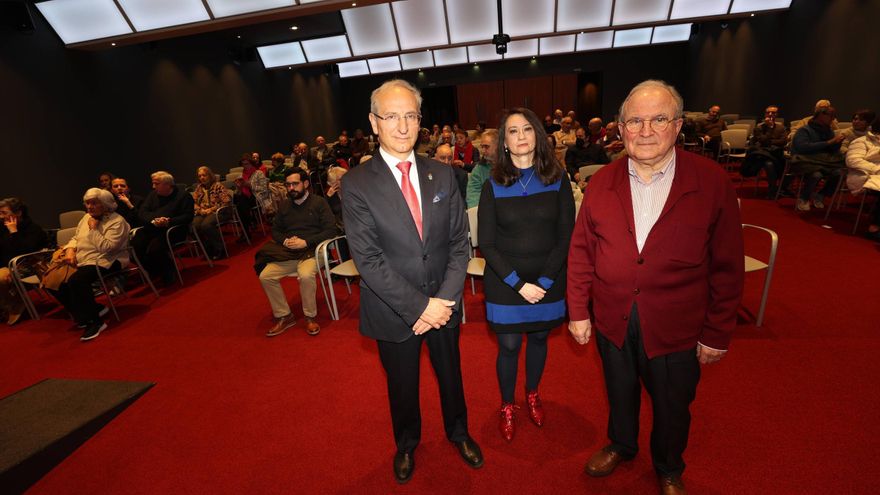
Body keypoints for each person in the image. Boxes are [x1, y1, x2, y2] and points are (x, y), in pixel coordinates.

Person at [567, 80, 744, 495]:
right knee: (619, 390)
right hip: (613, 319)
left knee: (671, 403)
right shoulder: (601, 183)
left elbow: (727, 266)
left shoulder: (712, 182)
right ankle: (622, 444)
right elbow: (581, 253)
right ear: (621, 128)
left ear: (678, 125)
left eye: (658, 119)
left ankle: (668, 465)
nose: (645, 130)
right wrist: (577, 310)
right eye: (635, 121)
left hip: (676, 325)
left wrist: (717, 332)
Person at [341, 79, 482, 484]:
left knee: (451, 376)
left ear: (421, 121)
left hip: (444, 301)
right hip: (393, 309)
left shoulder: (443, 175)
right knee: (402, 386)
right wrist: (421, 307)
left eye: (410, 116)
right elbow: (367, 259)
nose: (402, 126)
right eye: (391, 116)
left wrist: (443, 300)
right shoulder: (356, 184)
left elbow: (460, 244)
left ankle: (460, 433)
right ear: (373, 122)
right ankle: (406, 444)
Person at [478, 107, 575, 442]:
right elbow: (486, 244)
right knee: (507, 346)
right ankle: (507, 404)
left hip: (549, 278)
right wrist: (519, 285)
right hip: (506, 282)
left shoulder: (558, 178)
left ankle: (532, 393)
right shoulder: (493, 184)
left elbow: (566, 237)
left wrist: (544, 282)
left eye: (527, 130)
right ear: (503, 141)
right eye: (513, 131)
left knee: (538, 338)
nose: (521, 137)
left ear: (538, 135)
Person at [254, 170, 336, 337]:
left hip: (314, 250)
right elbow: (275, 230)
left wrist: (306, 242)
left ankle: (309, 317)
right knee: (266, 276)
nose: (291, 188)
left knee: (305, 275)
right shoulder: (285, 206)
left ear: (305, 184)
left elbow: (331, 230)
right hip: (289, 253)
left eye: (295, 184)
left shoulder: (319, 203)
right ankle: (285, 315)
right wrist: (285, 241)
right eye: (288, 184)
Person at [50, 188, 130, 341]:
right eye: (87, 203)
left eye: (94, 203)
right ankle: (90, 310)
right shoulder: (86, 217)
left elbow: (107, 248)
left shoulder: (117, 221)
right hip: (84, 258)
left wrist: (94, 229)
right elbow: (76, 237)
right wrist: (70, 250)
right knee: (53, 281)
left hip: (108, 260)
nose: (89, 207)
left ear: (105, 204)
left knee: (77, 280)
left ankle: (95, 322)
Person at [133, 171, 195, 284]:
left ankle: (169, 271)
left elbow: (188, 216)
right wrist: (155, 220)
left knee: (155, 248)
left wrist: (168, 221)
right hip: (154, 227)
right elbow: (142, 212)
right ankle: (155, 271)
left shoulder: (183, 196)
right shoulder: (153, 195)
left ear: (168, 184)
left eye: (156, 184)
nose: (153, 187)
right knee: (136, 245)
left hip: (174, 229)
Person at [0, 197, 48, 325]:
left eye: (4, 213)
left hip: (28, 266)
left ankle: (16, 304)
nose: (0, 216)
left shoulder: (33, 229)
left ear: (18, 213)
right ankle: (7, 305)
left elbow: (26, 253)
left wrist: (14, 232)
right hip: (8, 266)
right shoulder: (2, 229)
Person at [790, 106, 846, 211]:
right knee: (816, 174)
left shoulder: (828, 131)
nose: (833, 119)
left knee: (839, 173)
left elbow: (832, 150)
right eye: (831, 116)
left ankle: (820, 195)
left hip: (823, 161)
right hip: (805, 160)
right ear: (821, 115)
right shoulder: (804, 130)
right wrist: (828, 142)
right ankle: (803, 198)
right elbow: (803, 148)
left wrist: (837, 143)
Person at [845, 115, 880, 241]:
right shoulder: (861, 141)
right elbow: (853, 161)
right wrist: (877, 169)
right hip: (864, 176)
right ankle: (874, 228)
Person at [743, 106, 788, 198]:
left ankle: (782, 188)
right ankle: (772, 191)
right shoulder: (759, 128)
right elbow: (763, 140)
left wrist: (770, 142)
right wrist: (770, 128)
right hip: (762, 155)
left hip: (776, 153)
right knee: (769, 164)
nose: (770, 114)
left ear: (777, 115)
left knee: (791, 164)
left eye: (773, 113)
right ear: (765, 114)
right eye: (768, 113)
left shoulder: (781, 128)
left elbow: (784, 141)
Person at [192, 166, 231, 259]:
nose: (202, 178)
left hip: (220, 211)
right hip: (204, 212)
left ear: (209, 175)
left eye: (204, 175)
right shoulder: (199, 188)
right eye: (200, 176)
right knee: (193, 226)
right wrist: (200, 210)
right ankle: (208, 249)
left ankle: (220, 249)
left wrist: (211, 209)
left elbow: (226, 202)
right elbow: (193, 203)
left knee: (206, 225)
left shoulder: (218, 186)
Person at [467, 129, 498, 208]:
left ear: (498, 146)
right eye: (482, 147)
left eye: (486, 147)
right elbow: (473, 198)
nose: (483, 151)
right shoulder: (478, 170)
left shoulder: (512, 166)